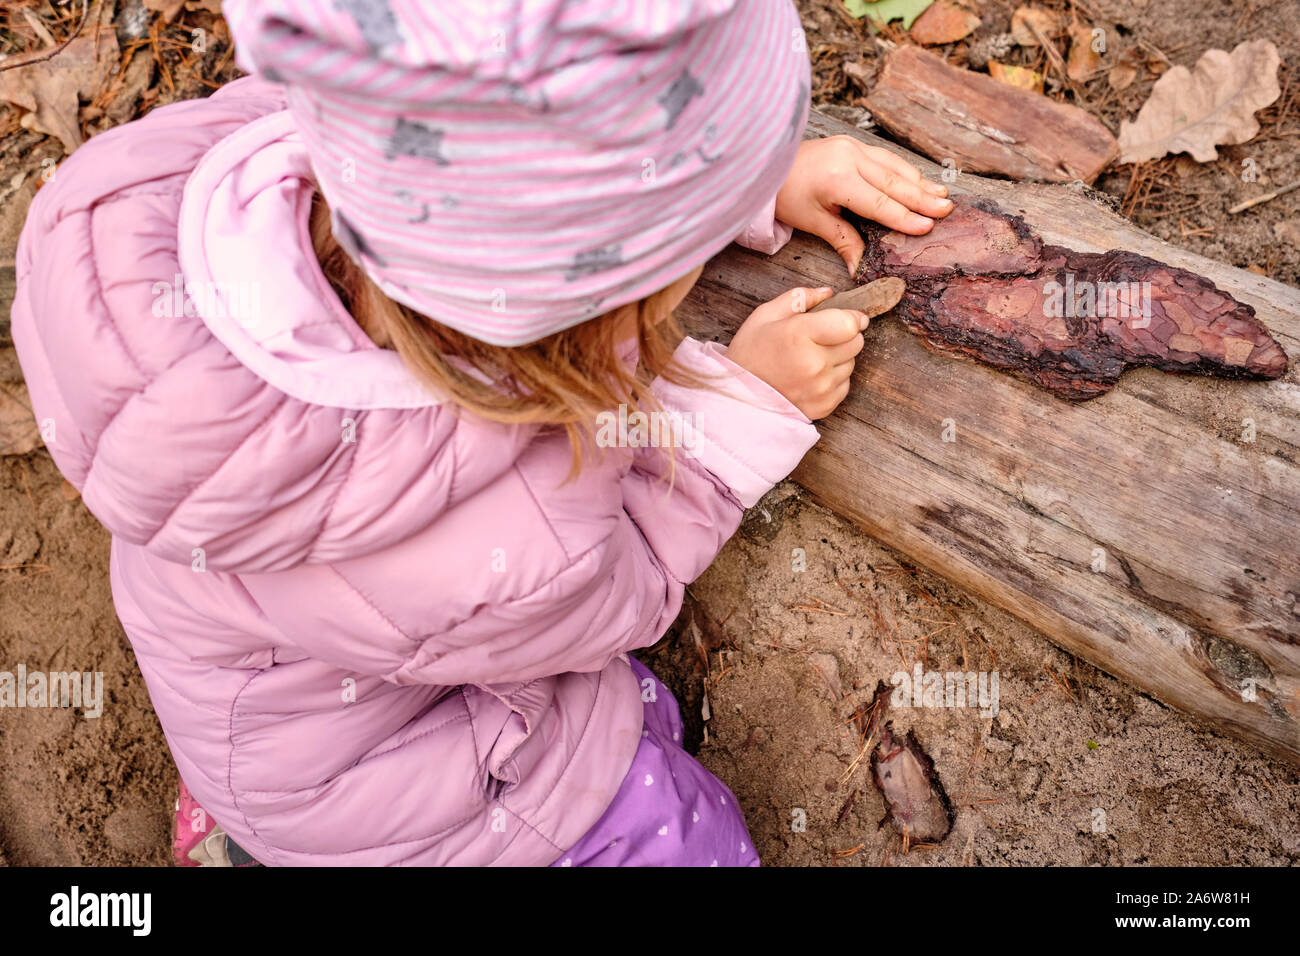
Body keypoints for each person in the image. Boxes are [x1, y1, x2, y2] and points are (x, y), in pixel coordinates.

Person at [10, 0, 951, 866]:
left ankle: (237, 823)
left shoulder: (173, 187)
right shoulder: (507, 545)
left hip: (252, 698)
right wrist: (736, 406)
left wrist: (742, 175)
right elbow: (633, 590)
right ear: (580, 329)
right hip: (400, 797)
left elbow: (500, 150)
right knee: (679, 831)